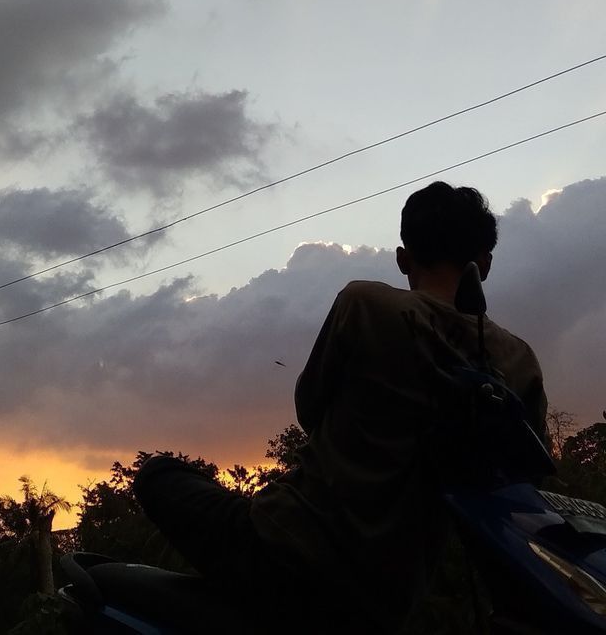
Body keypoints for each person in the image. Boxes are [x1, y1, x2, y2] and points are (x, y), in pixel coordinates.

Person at [134, 182, 547, 632]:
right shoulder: (518, 360)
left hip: (282, 545)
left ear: (403, 259)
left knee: (159, 475)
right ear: (483, 265)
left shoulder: (366, 303)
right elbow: (527, 478)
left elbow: (309, 409)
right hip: (388, 598)